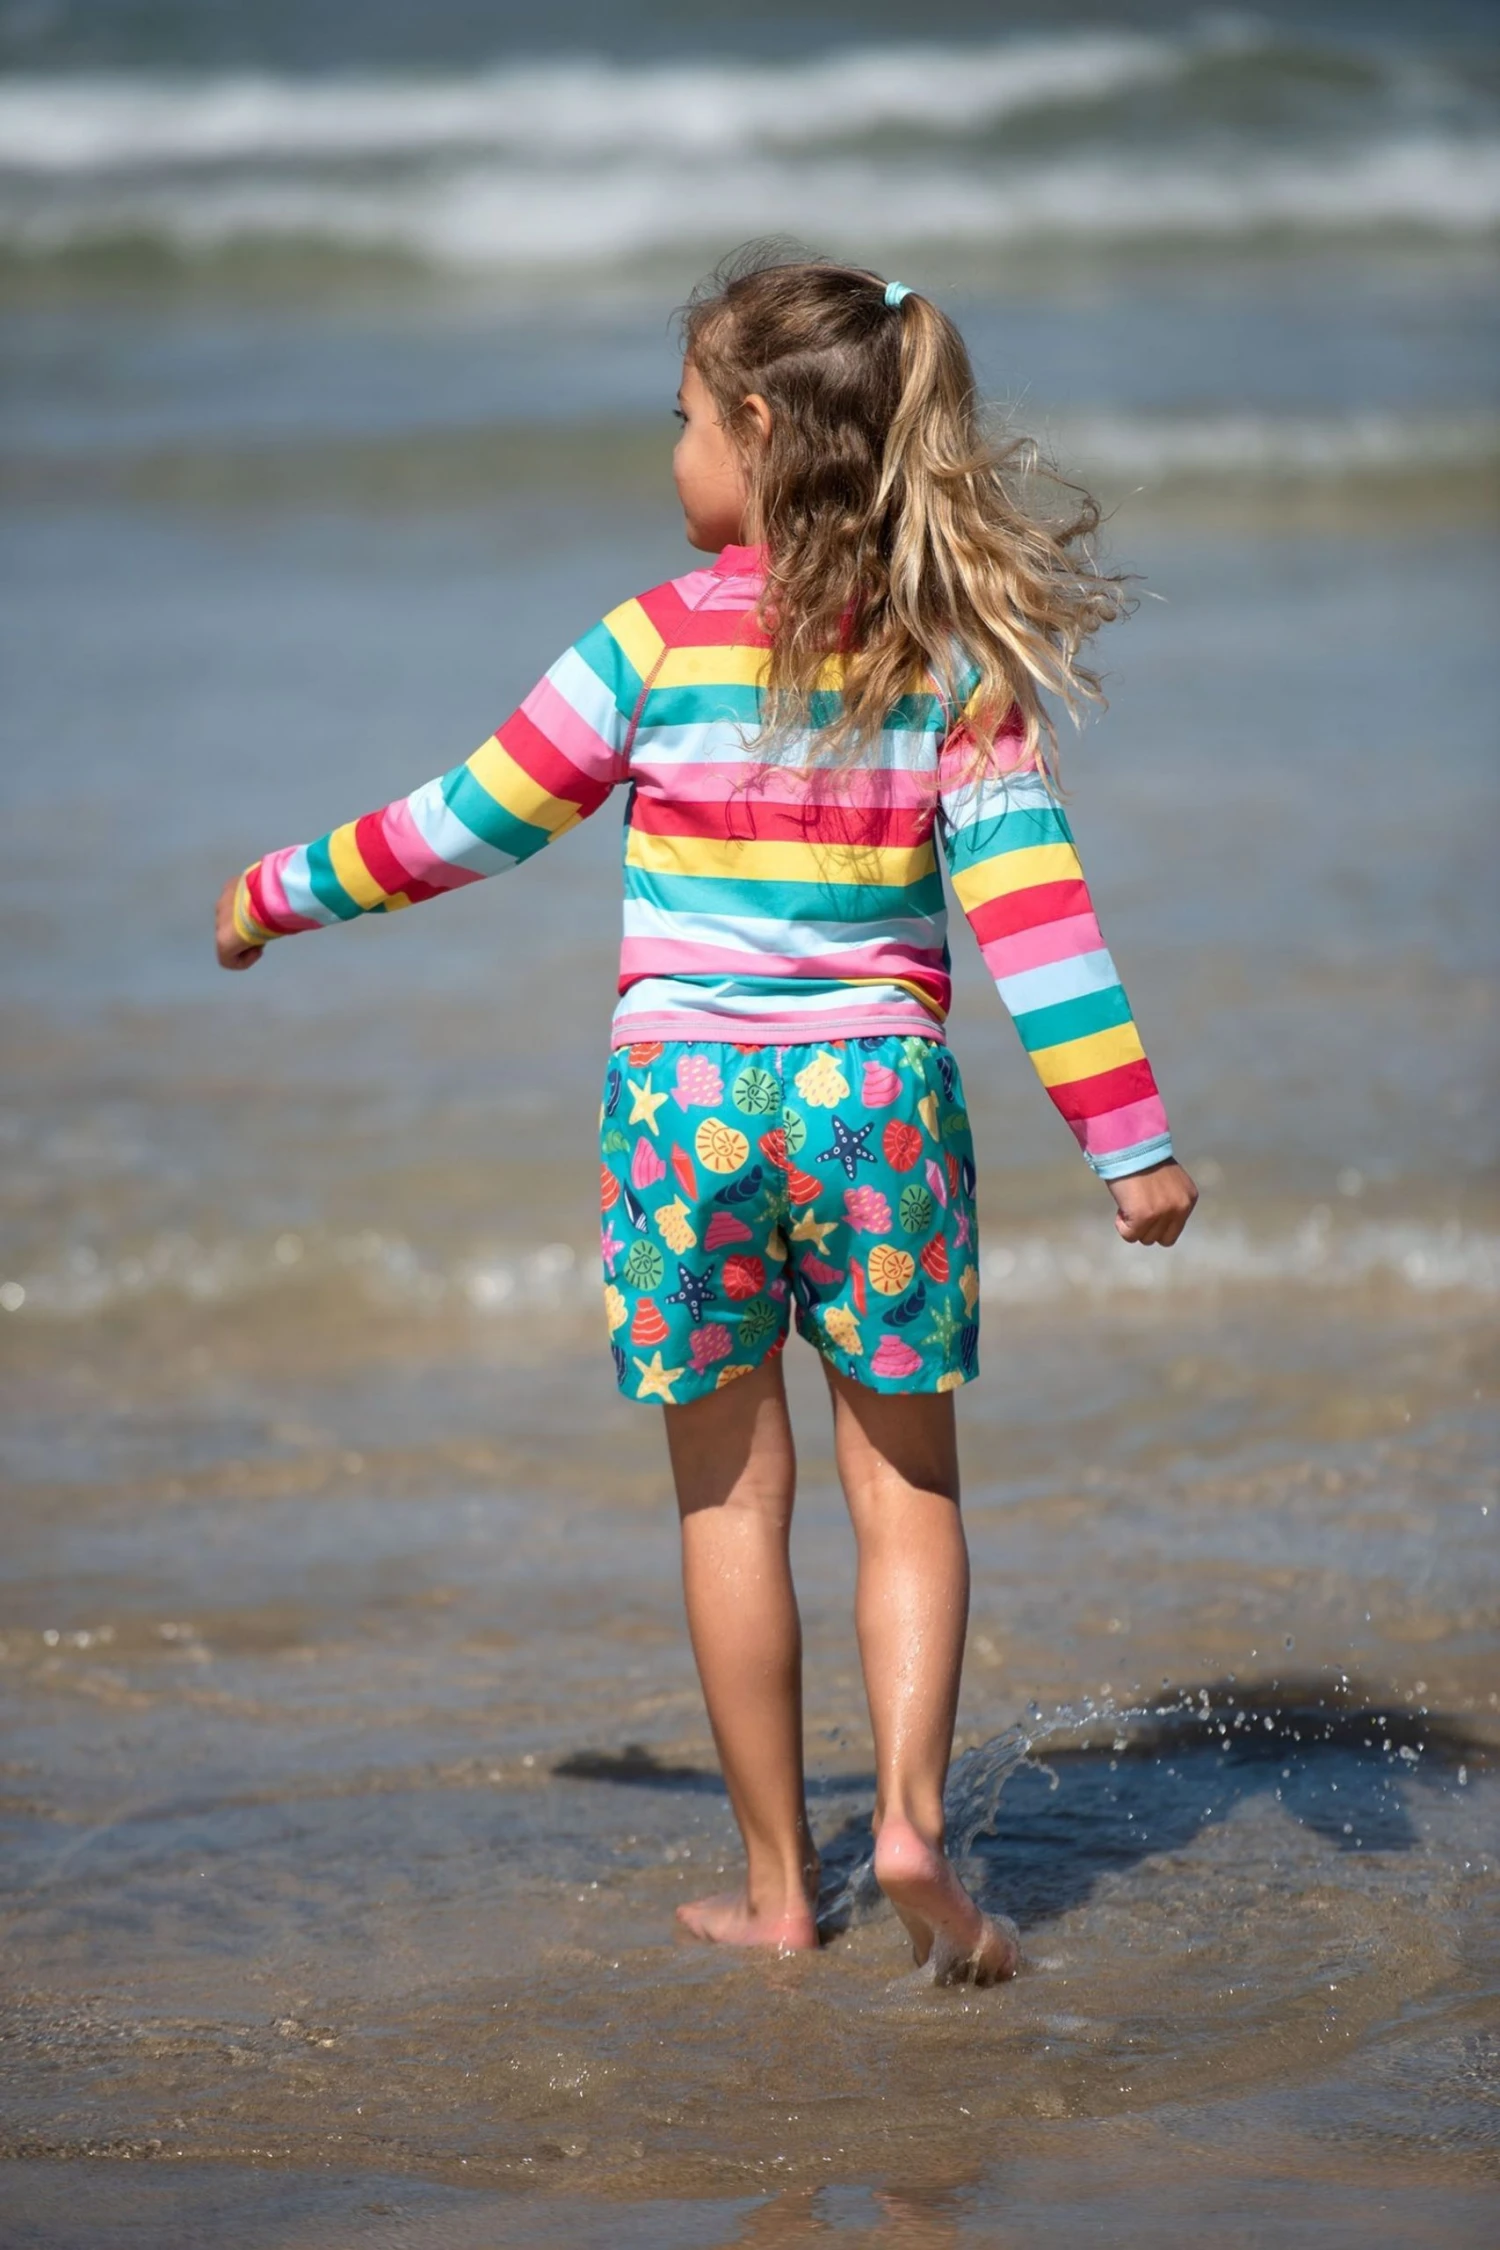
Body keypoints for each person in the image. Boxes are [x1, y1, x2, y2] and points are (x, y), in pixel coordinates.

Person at [216, 247, 1197, 1985]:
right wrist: (1130, 1145)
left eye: (678, 420)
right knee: (908, 1491)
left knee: (729, 1508)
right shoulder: (947, 665)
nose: (666, 454)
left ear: (751, 429)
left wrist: (278, 891)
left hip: (682, 1117)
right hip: (875, 1105)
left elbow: (465, 823)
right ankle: (905, 1819)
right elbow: (1041, 926)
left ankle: (777, 1887)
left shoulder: (648, 644)